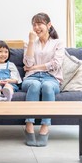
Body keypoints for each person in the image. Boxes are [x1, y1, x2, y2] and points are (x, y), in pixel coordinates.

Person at [22, 12, 64, 147]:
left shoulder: (58, 43)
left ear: (49, 25)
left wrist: (35, 67)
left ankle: (45, 127)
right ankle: (29, 125)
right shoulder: (29, 43)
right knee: (34, 85)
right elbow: (27, 64)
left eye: (39, 24)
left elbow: (55, 64)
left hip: (51, 78)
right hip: (31, 78)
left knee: (47, 86)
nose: (36, 27)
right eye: (34, 25)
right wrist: (30, 42)